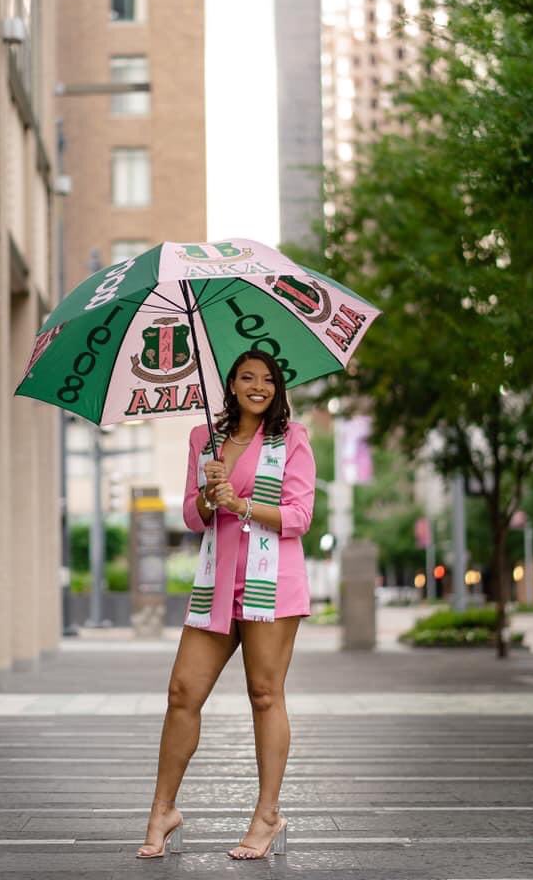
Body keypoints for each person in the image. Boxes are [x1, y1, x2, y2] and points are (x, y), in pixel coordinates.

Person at [136, 349, 316, 860]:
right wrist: (211, 498)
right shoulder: (205, 440)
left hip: (272, 583)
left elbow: (300, 516)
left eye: (267, 379)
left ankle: (267, 814)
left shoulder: (292, 438)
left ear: (277, 388)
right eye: (247, 377)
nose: (258, 386)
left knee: (264, 694)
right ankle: (163, 809)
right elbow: (194, 519)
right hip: (217, 582)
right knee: (181, 692)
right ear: (232, 385)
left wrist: (242, 504)